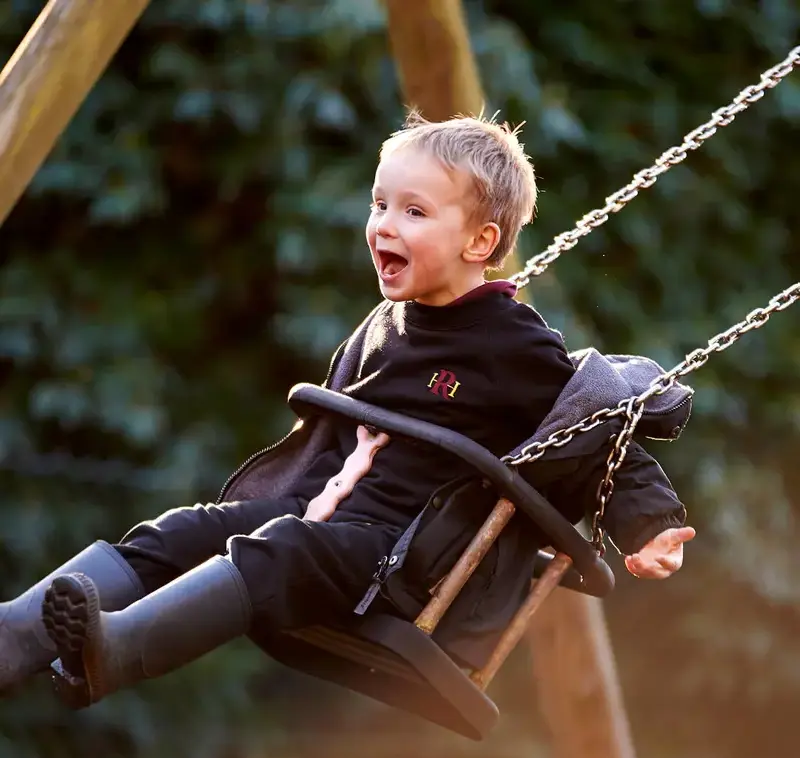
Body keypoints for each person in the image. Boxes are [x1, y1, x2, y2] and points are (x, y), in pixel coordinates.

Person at [0, 112, 695, 709]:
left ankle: (118, 650)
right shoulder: (389, 321)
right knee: (187, 529)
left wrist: (651, 525)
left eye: (414, 212)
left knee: (281, 550)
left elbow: (597, 431)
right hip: (322, 515)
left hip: (396, 558)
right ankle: (17, 637)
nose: (385, 225)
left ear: (479, 243)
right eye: (380, 204)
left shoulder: (511, 342)